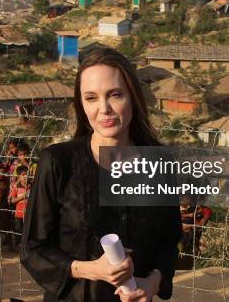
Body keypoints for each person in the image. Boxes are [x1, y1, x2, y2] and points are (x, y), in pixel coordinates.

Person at [20, 48, 182, 301]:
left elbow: (169, 240)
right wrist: (91, 269)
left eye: (115, 94)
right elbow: (33, 248)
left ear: (133, 97)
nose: (104, 108)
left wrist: (152, 282)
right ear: (81, 104)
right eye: (91, 98)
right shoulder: (59, 162)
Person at [8, 165, 30, 251]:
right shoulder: (16, 187)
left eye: (26, 174)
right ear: (19, 177)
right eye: (23, 174)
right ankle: (19, 246)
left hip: (29, 213)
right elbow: (12, 200)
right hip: (19, 214)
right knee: (18, 230)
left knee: (28, 230)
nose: (25, 176)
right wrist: (22, 197)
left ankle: (27, 246)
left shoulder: (31, 186)